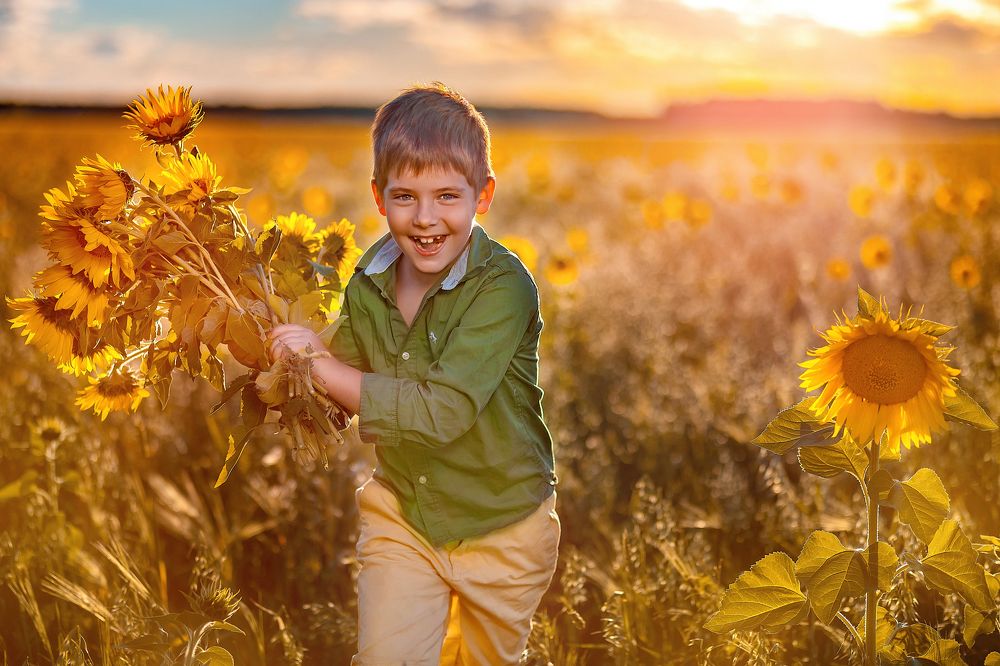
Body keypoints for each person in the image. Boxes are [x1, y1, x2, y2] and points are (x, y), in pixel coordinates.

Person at [266, 82, 560, 665]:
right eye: (405, 197)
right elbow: (340, 380)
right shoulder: (369, 282)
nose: (426, 219)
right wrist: (283, 353)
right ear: (378, 197)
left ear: (483, 196)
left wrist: (320, 367)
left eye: (447, 195)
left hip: (504, 527)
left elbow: (441, 411)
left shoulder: (502, 288)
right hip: (404, 515)